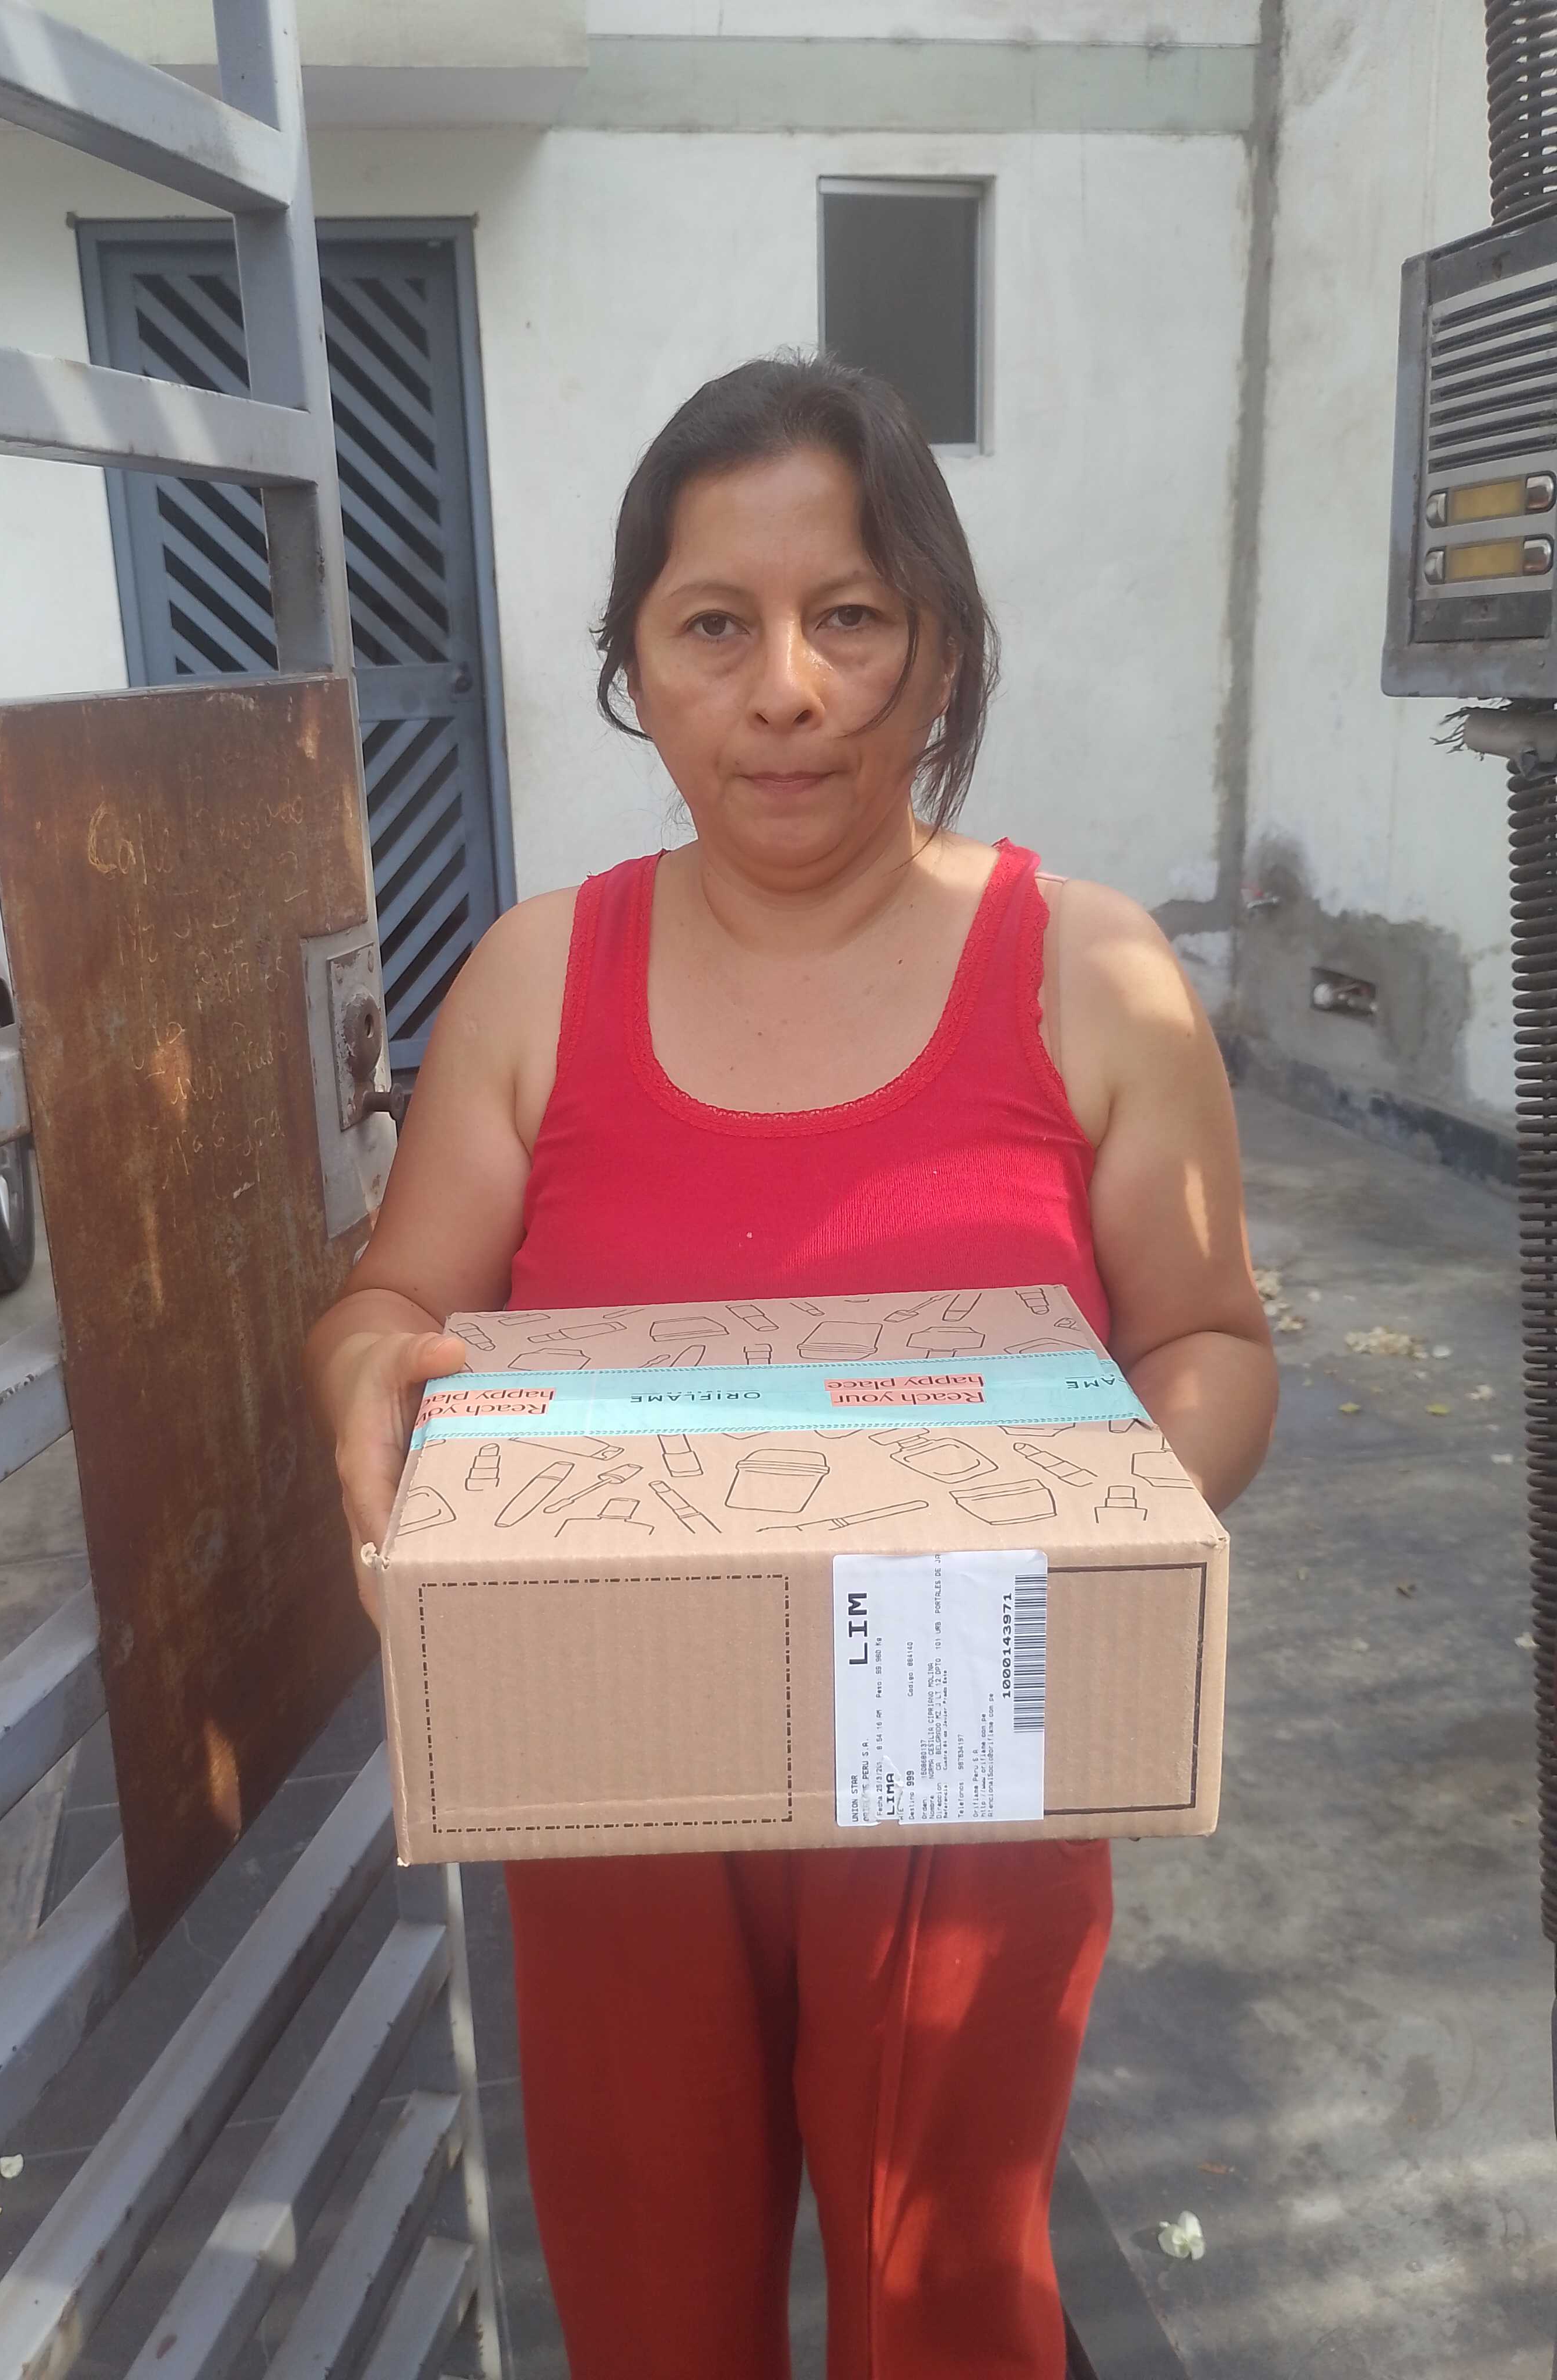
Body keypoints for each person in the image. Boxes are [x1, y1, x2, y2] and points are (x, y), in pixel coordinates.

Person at [305, 353, 1277, 2380]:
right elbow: (391, 1306)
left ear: (943, 646)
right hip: (618, 1759)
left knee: (951, 2297)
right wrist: (370, 1380)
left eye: (851, 614)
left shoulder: (1093, 975)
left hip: (963, 1739)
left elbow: (1207, 1343)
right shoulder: (534, 981)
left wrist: (1096, 1524)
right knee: (652, 2304)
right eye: (714, 627)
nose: (790, 691)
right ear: (636, 669)